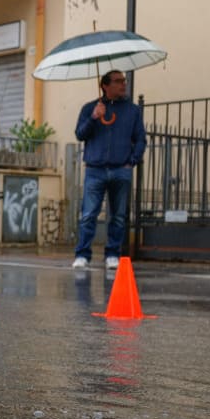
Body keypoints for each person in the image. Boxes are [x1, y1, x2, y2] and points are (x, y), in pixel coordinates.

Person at [71, 69, 147, 270]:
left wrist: (132, 160)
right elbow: (80, 134)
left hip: (121, 169)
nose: (123, 84)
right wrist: (94, 117)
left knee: (119, 216)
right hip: (95, 170)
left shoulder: (132, 111)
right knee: (88, 214)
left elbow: (140, 139)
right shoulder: (90, 108)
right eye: (118, 81)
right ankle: (82, 255)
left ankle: (112, 254)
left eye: (124, 81)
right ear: (105, 85)